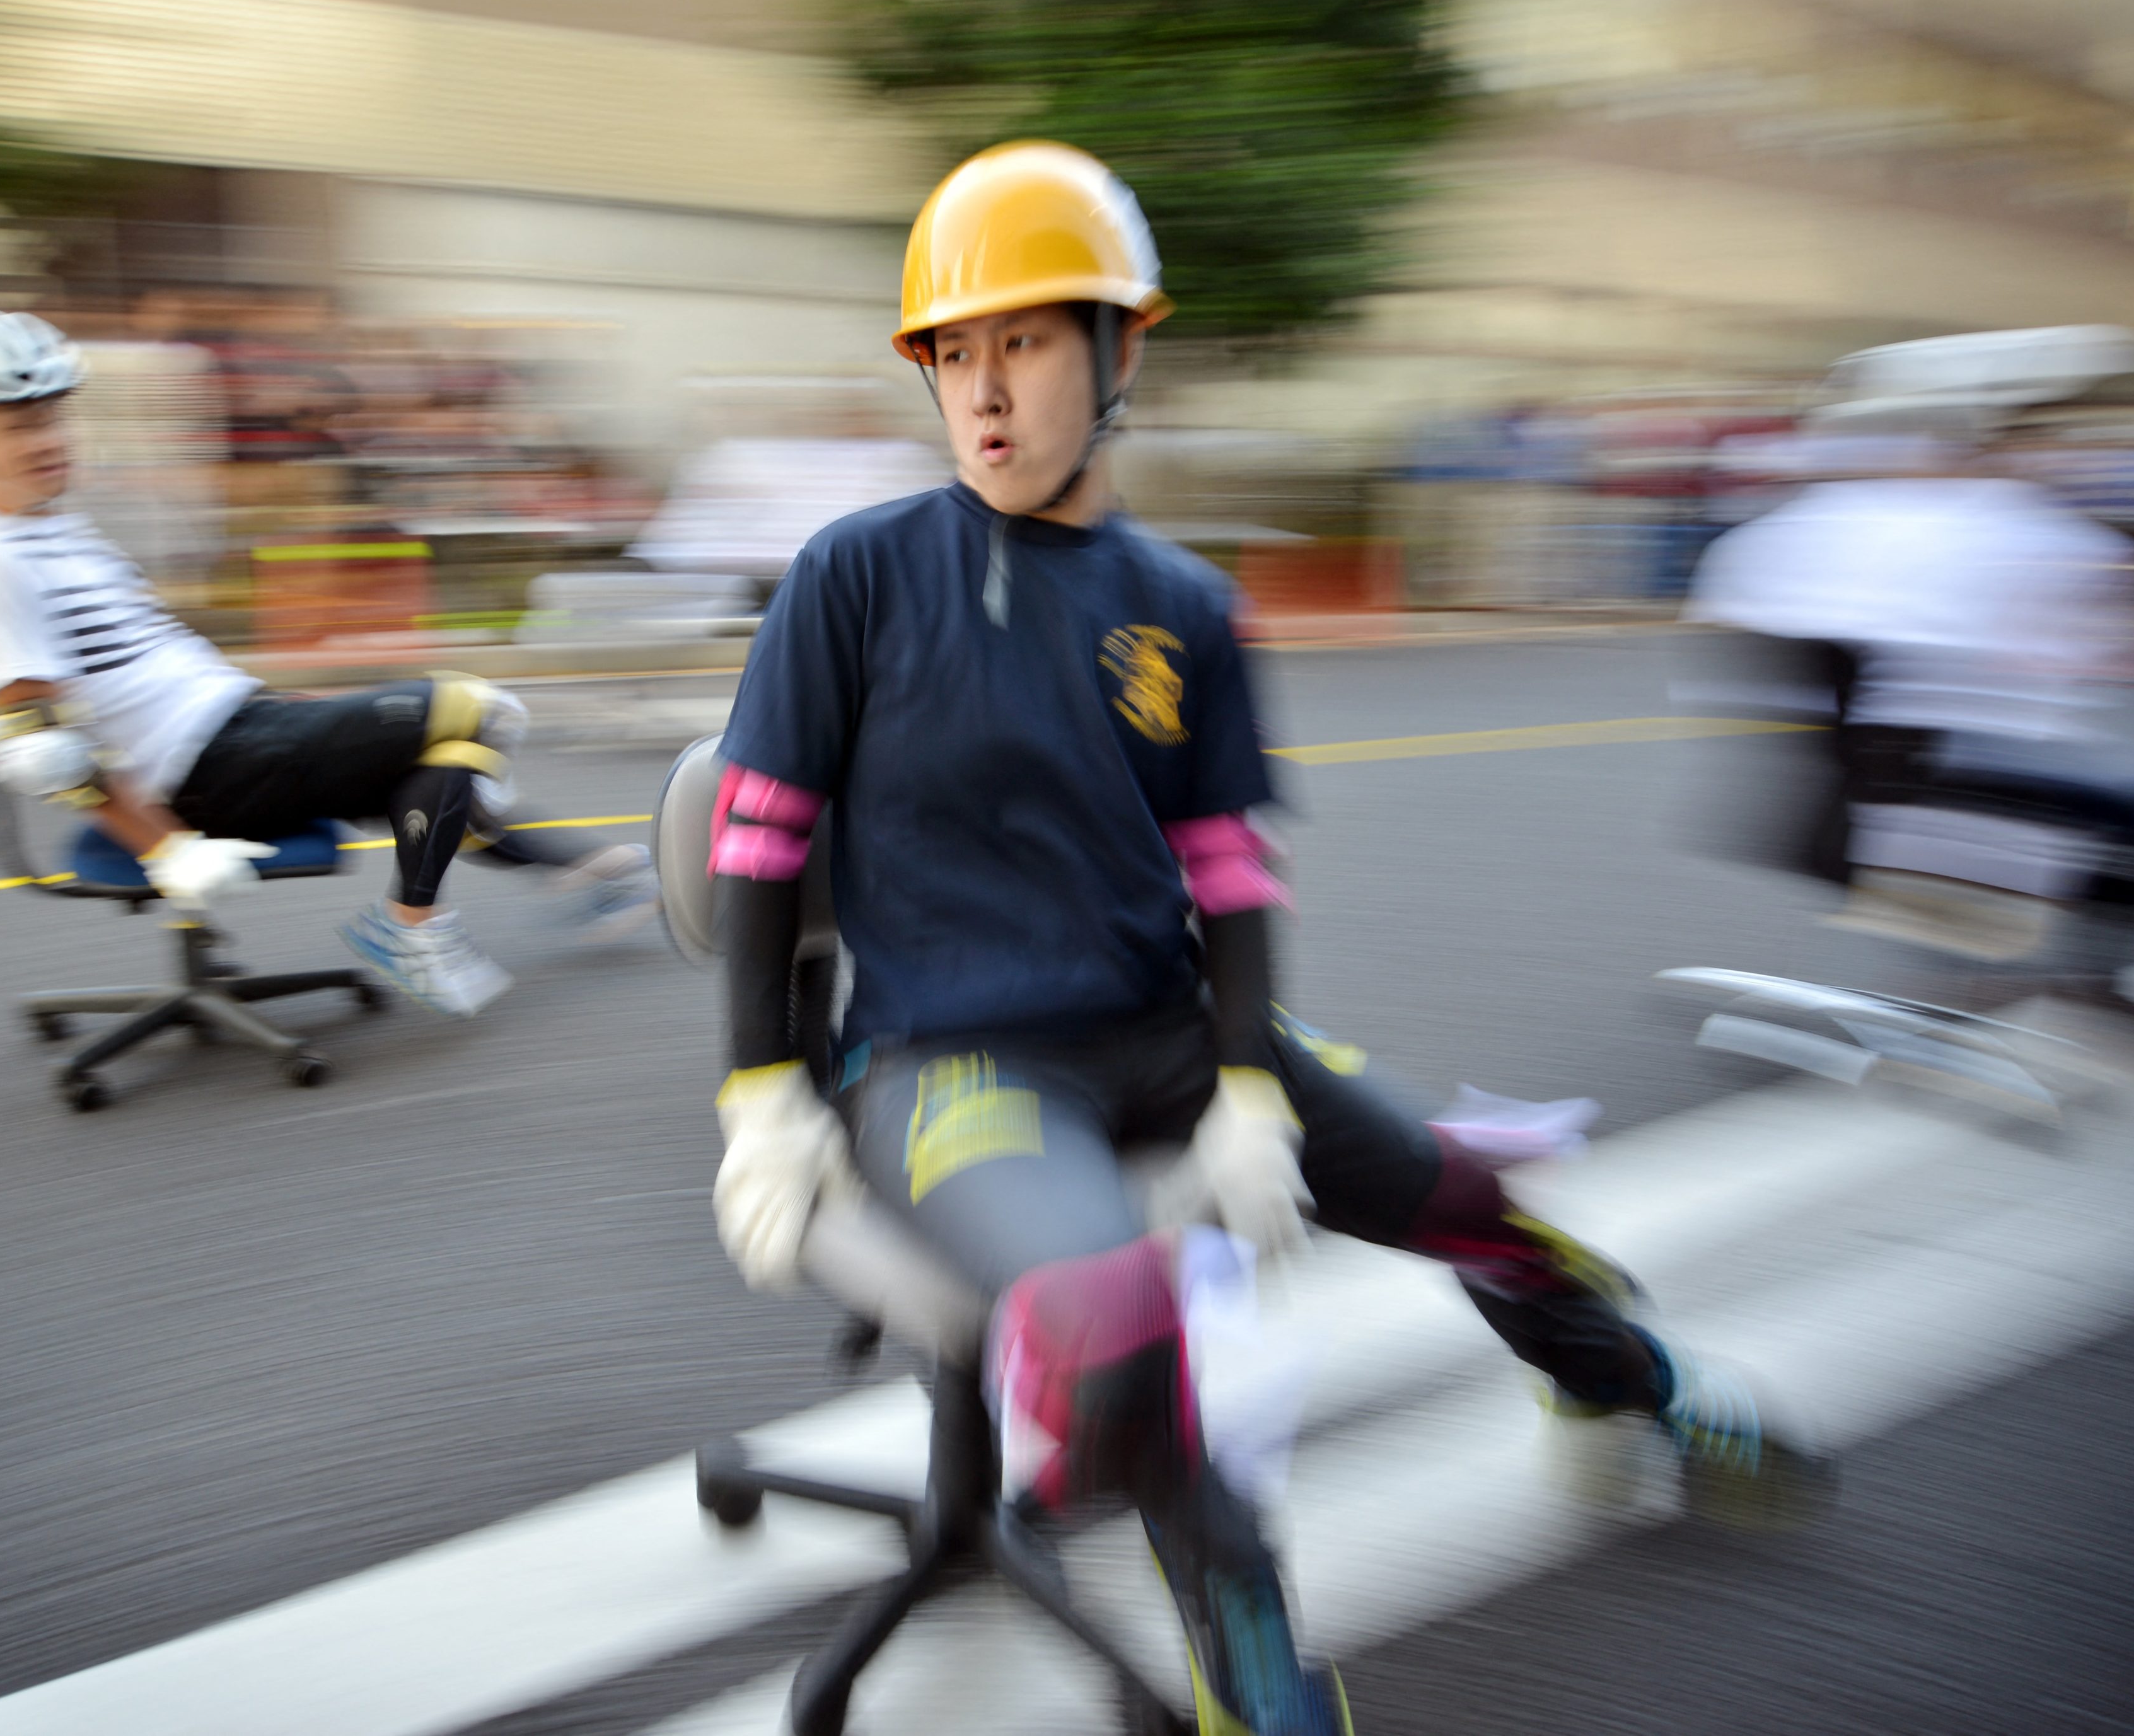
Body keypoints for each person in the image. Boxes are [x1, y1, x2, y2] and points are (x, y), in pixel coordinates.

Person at [704, 144, 1830, 1736]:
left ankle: (1618, 1379)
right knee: (1116, 1320)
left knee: (1468, 1189)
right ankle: (1246, 1648)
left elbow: (1227, 878)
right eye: (952, 352)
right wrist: (761, 1089)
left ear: (1121, 351)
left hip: (1165, 1027)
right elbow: (760, 840)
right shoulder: (855, 577)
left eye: (1020, 340)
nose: (983, 391)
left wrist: (1245, 1085)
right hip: (961, 1066)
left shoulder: (1187, 605)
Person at [0, 308, 657, 1016]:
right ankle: (414, 927)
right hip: (197, 774)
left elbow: (150, 662)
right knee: (466, 708)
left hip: (231, 731)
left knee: (436, 756)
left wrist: (271, 704)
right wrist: (169, 849)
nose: (47, 438)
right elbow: (43, 749)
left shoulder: (48, 526)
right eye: (18, 423)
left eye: (53, 416)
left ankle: (589, 873)